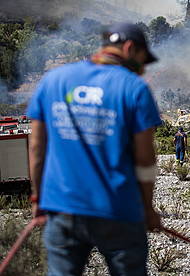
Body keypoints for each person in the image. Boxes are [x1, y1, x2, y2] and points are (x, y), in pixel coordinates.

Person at [27, 22, 163, 276]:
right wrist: (147, 209)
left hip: (63, 208)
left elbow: (36, 147)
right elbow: (145, 159)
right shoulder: (135, 89)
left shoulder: (53, 80)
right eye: (144, 60)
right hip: (118, 211)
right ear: (130, 48)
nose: (144, 69)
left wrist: (38, 198)